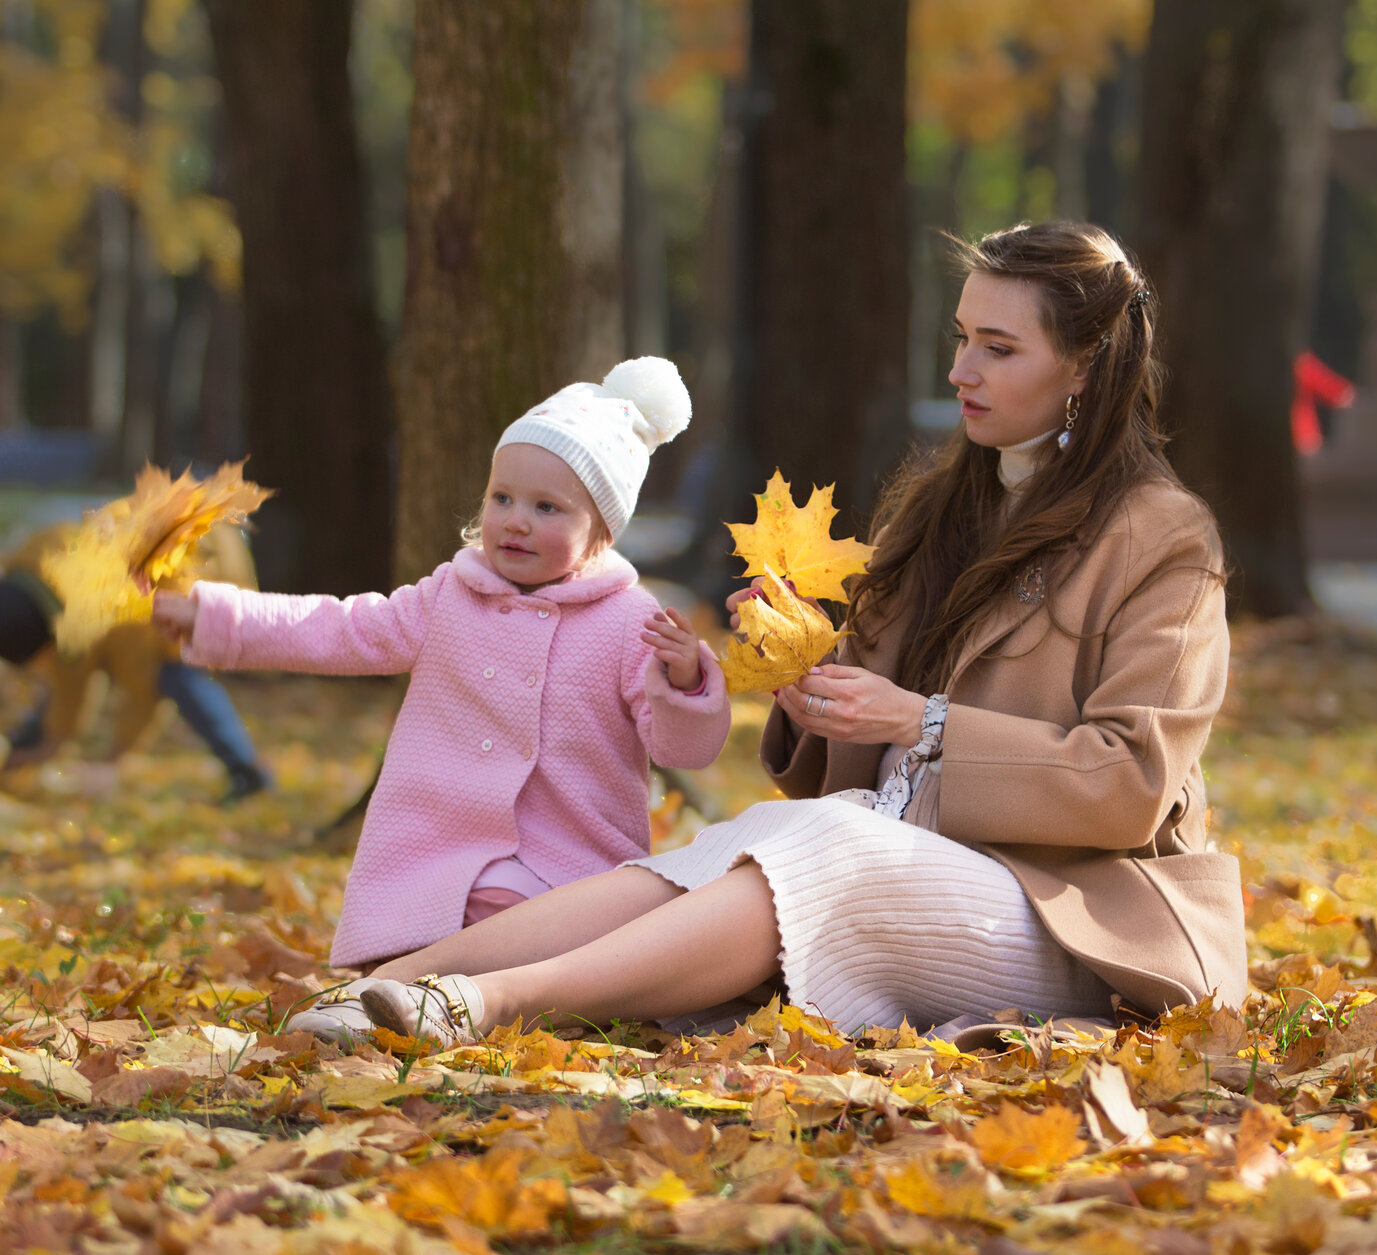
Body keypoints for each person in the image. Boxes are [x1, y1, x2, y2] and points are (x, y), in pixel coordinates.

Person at [337, 221, 1249, 1048]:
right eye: (961, 338)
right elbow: (846, 754)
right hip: (893, 853)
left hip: (1068, 914)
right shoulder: (940, 510)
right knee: (748, 837)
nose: (960, 370)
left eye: (998, 348)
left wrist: (919, 722)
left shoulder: (1163, 537)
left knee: (827, 844)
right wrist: (802, 670)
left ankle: (484, 1005)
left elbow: (1131, 782)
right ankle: (392, 986)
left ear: (1085, 365)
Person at [153, 357, 731, 1041]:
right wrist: (218, 619)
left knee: (527, 930)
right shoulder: (449, 595)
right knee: (431, 920)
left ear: (602, 530)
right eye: (501, 498)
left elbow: (682, 747)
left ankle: (455, 1000)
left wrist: (687, 680)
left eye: (547, 508)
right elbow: (341, 628)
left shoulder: (630, 621)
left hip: (561, 863)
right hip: (438, 851)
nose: (515, 521)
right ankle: (396, 1001)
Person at [2, 520, 274, 802]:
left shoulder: (123, 617)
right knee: (62, 676)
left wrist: (114, 760)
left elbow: (142, 693)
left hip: (203, 566)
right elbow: (68, 678)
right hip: (156, 564)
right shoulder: (32, 559)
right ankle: (21, 748)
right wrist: (50, 745)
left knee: (177, 675)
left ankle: (248, 771)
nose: (42, 666)